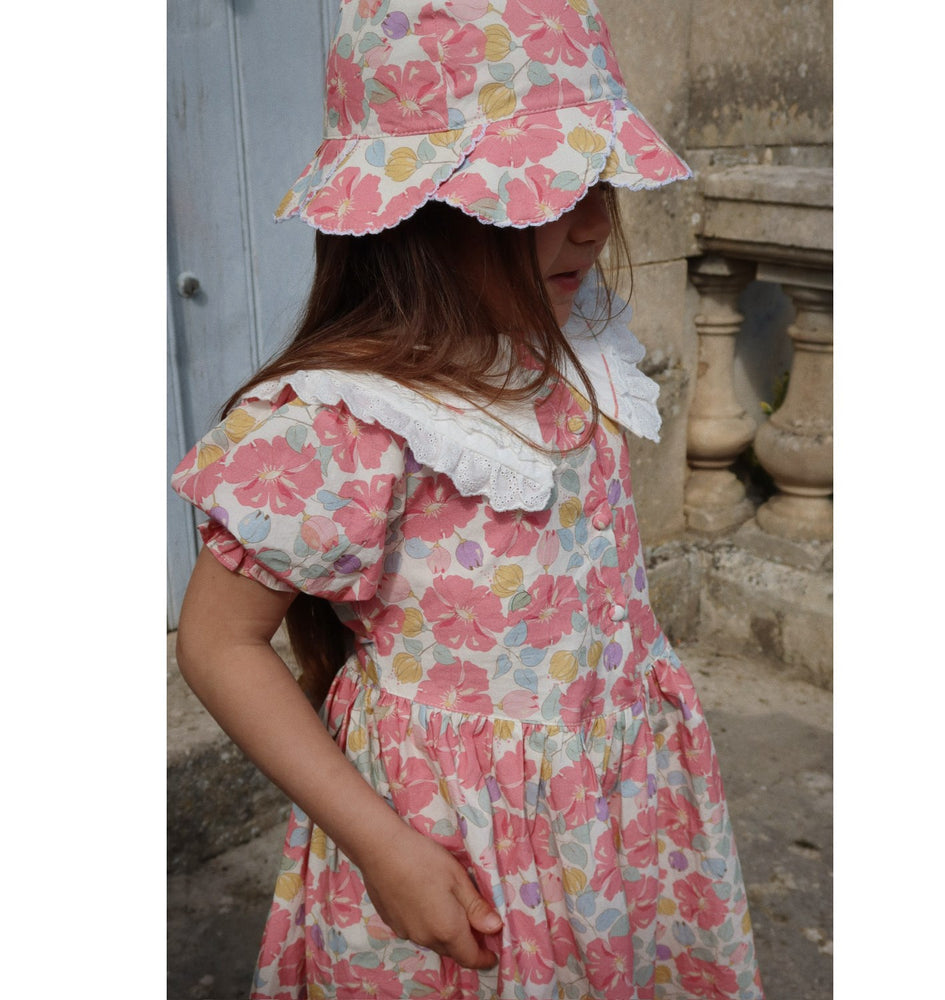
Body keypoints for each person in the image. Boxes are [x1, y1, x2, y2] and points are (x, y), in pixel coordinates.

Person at [172, 1, 765, 997]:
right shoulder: (347, 420)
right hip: (458, 846)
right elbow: (219, 641)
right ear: (419, 212)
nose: (595, 222)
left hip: (614, 809)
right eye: (549, 192)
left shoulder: (573, 346)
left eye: (598, 181)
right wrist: (379, 844)